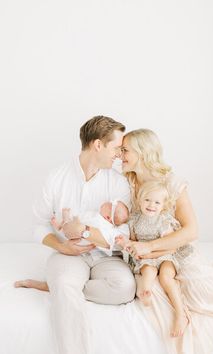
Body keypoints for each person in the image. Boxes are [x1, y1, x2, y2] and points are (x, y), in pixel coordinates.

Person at [22, 116, 136, 354]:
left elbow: (122, 234)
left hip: (107, 257)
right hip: (69, 255)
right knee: (65, 284)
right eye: (116, 148)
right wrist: (62, 247)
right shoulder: (56, 178)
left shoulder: (118, 183)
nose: (119, 155)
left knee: (125, 288)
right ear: (97, 145)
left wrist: (86, 231)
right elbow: (38, 226)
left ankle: (55, 286)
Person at [120, 128, 213, 354]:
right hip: (148, 257)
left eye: (125, 150)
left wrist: (151, 247)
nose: (119, 155)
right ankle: (179, 315)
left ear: (142, 152)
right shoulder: (127, 183)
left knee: (204, 295)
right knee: (152, 290)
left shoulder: (171, 183)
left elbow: (191, 230)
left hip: (175, 251)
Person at [116, 180, 193, 337]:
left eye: (157, 202)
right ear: (139, 200)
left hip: (164, 254)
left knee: (165, 276)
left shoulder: (164, 220)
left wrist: (151, 254)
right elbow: (133, 242)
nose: (151, 205)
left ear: (163, 205)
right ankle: (145, 291)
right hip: (145, 257)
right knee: (148, 270)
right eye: (147, 200)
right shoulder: (135, 220)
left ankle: (180, 314)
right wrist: (125, 243)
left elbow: (171, 247)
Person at [15, 200, 129, 291]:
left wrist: (72, 224)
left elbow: (83, 228)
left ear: (108, 217)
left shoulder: (102, 223)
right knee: (64, 282)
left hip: (83, 243)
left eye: (110, 204)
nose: (108, 201)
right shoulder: (96, 216)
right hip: (73, 246)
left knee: (65, 284)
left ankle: (50, 286)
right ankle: (51, 285)